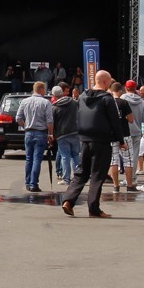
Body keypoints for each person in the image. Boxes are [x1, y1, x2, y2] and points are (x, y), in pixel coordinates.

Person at [60, 70, 126, 218]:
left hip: (84, 139)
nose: (109, 85)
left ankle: (68, 201)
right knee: (97, 175)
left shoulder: (82, 96)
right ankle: (93, 209)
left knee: (81, 172)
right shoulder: (107, 99)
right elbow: (115, 121)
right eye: (109, 82)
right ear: (105, 82)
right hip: (101, 140)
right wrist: (121, 140)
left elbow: (78, 115)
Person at [15, 81, 54, 193]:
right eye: (44, 89)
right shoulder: (46, 103)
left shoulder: (25, 101)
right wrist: (50, 134)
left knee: (29, 159)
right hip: (40, 133)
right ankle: (33, 184)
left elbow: (18, 118)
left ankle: (28, 182)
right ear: (41, 89)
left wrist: (26, 126)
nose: (45, 91)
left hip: (28, 133)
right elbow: (49, 120)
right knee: (37, 159)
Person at [109, 82, 136, 192]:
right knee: (128, 160)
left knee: (113, 161)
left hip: (111, 135)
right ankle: (129, 185)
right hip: (124, 134)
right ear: (120, 90)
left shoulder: (108, 102)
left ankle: (116, 186)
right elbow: (131, 120)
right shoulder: (124, 103)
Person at [51, 85, 80, 186]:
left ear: (54, 96)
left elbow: (52, 123)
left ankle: (66, 179)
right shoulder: (74, 103)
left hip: (62, 134)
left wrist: (52, 135)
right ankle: (78, 177)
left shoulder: (55, 107)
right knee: (76, 155)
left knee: (65, 157)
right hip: (75, 132)